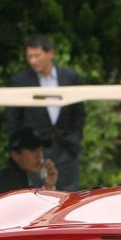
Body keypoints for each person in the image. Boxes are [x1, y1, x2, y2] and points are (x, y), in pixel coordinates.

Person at [6, 34, 84, 191]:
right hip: (35, 154)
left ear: (50, 53)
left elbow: (79, 114)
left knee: (70, 199)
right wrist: (22, 151)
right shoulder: (20, 81)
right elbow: (13, 119)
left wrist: (74, 140)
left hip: (66, 151)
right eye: (30, 56)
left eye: (37, 55)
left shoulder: (70, 78)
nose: (33, 61)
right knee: (38, 200)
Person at [0, 128, 57, 205]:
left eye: (41, 150)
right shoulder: (7, 175)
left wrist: (49, 186)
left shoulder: (21, 175)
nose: (39, 156)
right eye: (33, 151)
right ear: (15, 155)